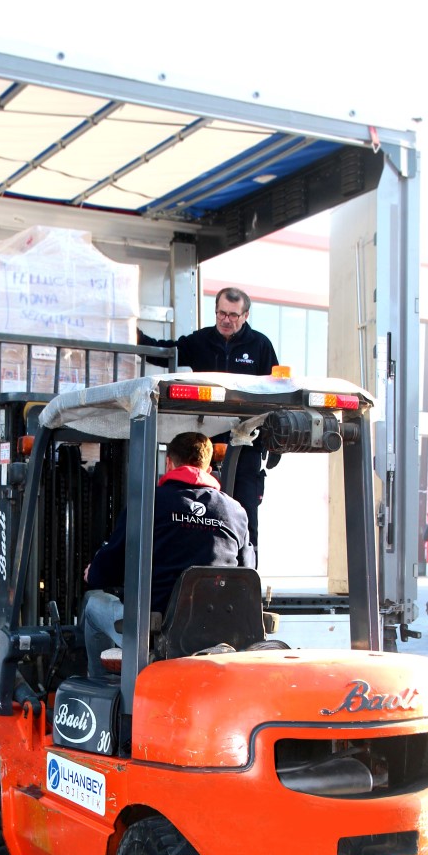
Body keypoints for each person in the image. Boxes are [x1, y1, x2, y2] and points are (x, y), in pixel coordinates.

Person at [83, 431, 255, 677]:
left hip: (157, 630)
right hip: (220, 631)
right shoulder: (235, 511)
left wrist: (94, 572)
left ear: (168, 463)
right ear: (208, 466)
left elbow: (106, 570)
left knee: (92, 605)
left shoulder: (148, 503)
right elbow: (248, 572)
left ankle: (100, 689)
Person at [137, 287, 278, 553]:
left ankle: (247, 578)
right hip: (207, 444)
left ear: (245, 315)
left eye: (234, 315)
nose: (227, 320)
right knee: (202, 513)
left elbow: (276, 394)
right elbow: (165, 351)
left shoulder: (260, 346)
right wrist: (133, 334)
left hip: (246, 444)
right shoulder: (201, 341)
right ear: (215, 311)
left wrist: (273, 445)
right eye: (222, 313)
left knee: (245, 513)